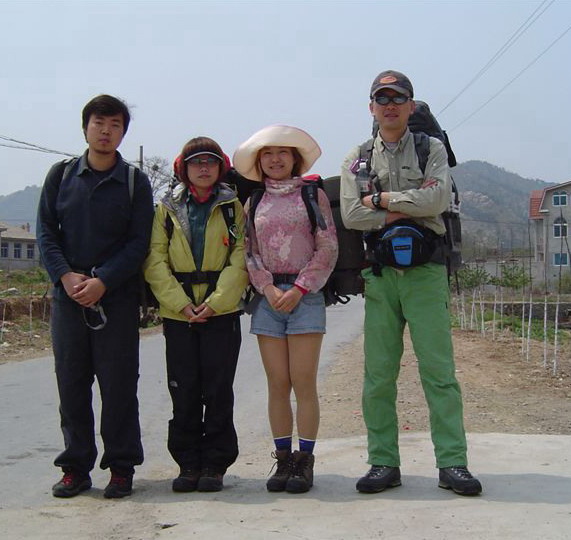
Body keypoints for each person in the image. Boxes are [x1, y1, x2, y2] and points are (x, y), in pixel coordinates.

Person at [340, 70, 482, 496]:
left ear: (411, 105)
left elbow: (437, 199)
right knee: (378, 375)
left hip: (425, 273)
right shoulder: (358, 158)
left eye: (397, 98)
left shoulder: (430, 148)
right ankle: (383, 462)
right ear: (371, 107)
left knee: (439, 373)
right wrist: (405, 208)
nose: (389, 106)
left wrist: (382, 201)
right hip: (381, 275)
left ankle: (453, 463)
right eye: (381, 99)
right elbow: (351, 214)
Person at [36, 94, 154, 499]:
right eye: (99, 123)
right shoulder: (61, 175)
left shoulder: (135, 182)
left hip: (116, 300)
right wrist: (65, 276)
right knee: (71, 384)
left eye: (115, 124)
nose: (106, 131)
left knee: (119, 386)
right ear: (85, 127)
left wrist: (103, 280)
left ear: (123, 133)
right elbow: (46, 232)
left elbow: (139, 242)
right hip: (68, 299)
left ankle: (121, 467)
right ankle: (75, 467)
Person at [233, 125, 338, 493]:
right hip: (267, 300)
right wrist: (265, 286)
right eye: (267, 153)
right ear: (259, 161)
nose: (275, 159)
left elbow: (327, 246)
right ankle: (282, 460)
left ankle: (304, 461)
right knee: (277, 383)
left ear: (295, 159)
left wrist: (299, 287)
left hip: (305, 296)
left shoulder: (313, 196)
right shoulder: (254, 201)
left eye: (282, 152)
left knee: (303, 382)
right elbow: (248, 251)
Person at [143, 137, 249, 493]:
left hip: (222, 313)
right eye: (196, 162)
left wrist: (216, 302)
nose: (203, 168)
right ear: (183, 169)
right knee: (184, 389)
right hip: (179, 316)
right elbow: (155, 260)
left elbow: (241, 257)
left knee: (218, 390)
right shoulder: (167, 209)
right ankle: (188, 464)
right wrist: (180, 303)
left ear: (221, 168)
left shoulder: (233, 207)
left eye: (210, 162)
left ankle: (215, 465)